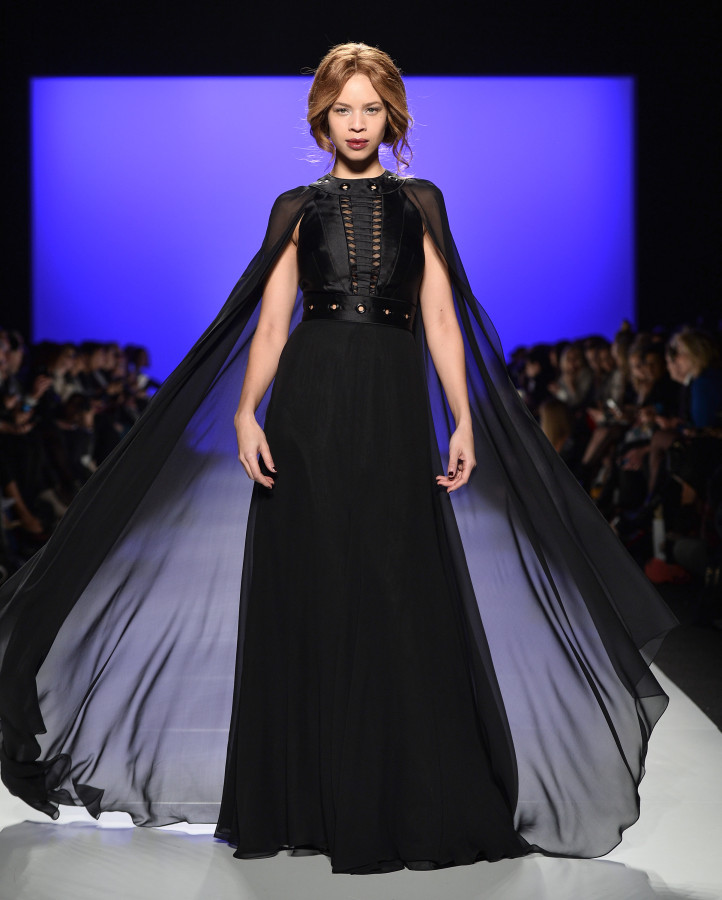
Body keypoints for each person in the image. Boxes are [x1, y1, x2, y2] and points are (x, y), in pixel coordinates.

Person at [0, 43, 677, 876]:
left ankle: (402, 794)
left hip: (392, 400)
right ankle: (308, 799)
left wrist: (464, 417)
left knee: (397, 579)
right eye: (342, 109)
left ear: (393, 116)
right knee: (314, 578)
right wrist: (246, 410)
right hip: (311, 400)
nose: (357, 123)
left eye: (371, 109)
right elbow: (273, 321)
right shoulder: (295, 207)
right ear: (321, 119)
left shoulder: (422, 201)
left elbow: (439, 316)